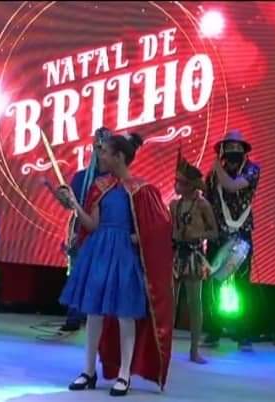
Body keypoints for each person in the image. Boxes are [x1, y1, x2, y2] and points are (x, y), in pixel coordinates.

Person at [60, 133, 173, 396]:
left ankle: (124, 374)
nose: (100, 156)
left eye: (105, 152)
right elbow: (92, 225)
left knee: (125, 314)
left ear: (119, 157)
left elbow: (159, 228)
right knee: (94, 312)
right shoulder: (101, 187)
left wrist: (133, 238)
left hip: (124, 259)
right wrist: (75, 204)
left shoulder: (141, 189)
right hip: (99, 254)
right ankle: (88, 371)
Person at [203, 129, 261, 351]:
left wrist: (216, 165)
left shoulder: (252, 170)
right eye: (228, 147)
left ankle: (243, 333)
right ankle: (214, 330)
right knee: (214, 282)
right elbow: (208, 201)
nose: (233, 150)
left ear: (244, 150)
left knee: (242, 284)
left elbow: (232, 185)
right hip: (218, 235)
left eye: (237, 147)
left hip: (241, 234)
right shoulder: (213, 175)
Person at [52, 127, 112, 332]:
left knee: (103, 279)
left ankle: (103, 319)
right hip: (83, 232)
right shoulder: (81, 178)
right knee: (78, 274)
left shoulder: (116, 179)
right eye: (98, 147)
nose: (101, 151)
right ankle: (74, 316)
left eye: (104, 147)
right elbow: (71, 205)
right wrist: (61, 197)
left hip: (106, 234)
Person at [170, 152, 218, 364]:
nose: (176, 186)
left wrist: (197, 234)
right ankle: (165, 347)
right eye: (176, 181)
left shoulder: (202, 205)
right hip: (176, 255)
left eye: (180, 182)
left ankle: (194, 350)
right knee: (170, 303)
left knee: (194, 304)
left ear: (191, 186)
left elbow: (214, 232)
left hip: (193, 256)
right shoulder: (174, 205)